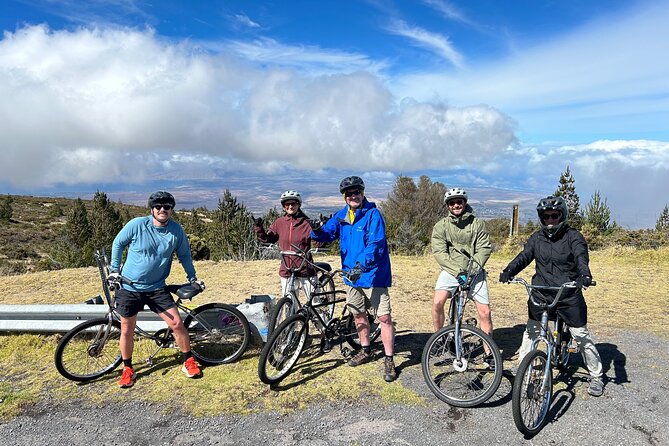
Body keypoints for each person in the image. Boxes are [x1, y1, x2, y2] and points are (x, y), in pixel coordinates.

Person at [499, 195, 604, 397]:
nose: (550, 220)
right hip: (541, 291)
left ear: (562, 215)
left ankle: (597, 375)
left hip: (567, 292)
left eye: (554, 216)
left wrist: (585, 275)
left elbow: (581, 257)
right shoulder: (536, 238)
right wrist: (509, 271)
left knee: (580, 335)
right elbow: (525, 256)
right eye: (546, 216)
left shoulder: (574, 237)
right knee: (531, 332)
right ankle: (523, 370)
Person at [109, 191, 205, 388]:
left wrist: (192, 277)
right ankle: (127, 369)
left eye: (167, 207)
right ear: (152, 209)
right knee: (127, 329)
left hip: (156, 288)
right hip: (129, 287)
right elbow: (118, 243)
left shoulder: (176, 231)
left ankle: (188, 360)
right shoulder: (137, 225)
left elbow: (185, 255)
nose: (163, 210)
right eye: (158, 207)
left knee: (177, 323)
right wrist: (114, 269)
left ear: (171, 210)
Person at [311, 176, 397, 382]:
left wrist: (360, 265)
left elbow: (376, 244)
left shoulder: (372, 214)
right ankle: (365, 349)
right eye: (349, 194)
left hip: (373, 276)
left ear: (362, 193)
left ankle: (389, 359)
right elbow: (326, 235)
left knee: (384, 318)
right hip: (352, 278)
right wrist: (315, 229)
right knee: (358, 315)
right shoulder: (342, 216)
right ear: (345, 197)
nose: (353, 196)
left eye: (356, 192)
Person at [430, 187, 495, 364]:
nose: (456, 205)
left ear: (465, 203)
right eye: (452, 203)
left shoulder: (477, 223)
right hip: (452, 270)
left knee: (485, 312)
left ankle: (489, 352)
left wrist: (471, 271)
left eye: (459, 202)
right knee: (437, 302)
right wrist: (458, 272)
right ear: (448, 206)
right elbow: (440, 252)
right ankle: (439, 338)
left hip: (474, 271)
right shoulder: (441, 226)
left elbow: (484, 249)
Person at [252, 190, 320, 307]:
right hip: (287, 270)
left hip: (305, 270)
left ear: (298, 204)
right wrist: (259, 228)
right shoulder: (279, 222)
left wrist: (318, 230)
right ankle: (291, 325)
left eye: (293, 203)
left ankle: (322, 325)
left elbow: (318, 244)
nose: (290, 206)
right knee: (289, 305)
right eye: (286, 204)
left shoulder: (306, 223)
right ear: (283, 206)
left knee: (315, 304)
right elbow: (268, 239)